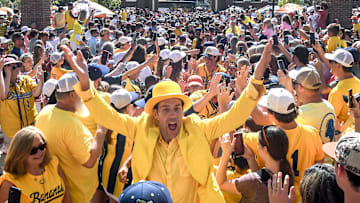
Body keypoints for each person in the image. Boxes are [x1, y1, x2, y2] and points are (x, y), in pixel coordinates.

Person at [60, 37, 269, 202]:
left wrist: (256, 80)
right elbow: (107, 116)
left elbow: (234, 117)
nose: (173, 114)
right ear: (156, 114)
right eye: (166, 109)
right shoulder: (140, 127)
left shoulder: (197, 128)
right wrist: (86, 86)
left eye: (177, 108)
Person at [35, 73, 106, 202]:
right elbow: (89, 161)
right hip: (78, 194)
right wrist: (101, 130)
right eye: (82, 93)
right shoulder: (71, 124)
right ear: (72, 95)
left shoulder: (45, 111)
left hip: (60, 190)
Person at [248, 88, 324, 202]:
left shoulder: (261, 138)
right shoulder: (312, 133)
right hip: (305, 197)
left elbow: (231, 138)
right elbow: (319, 164)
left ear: (272, 114)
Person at [216, 126, 294, 203]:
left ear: (265, 149)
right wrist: (251, 158)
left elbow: (221, 183)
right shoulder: (286, 175)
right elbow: (261, 180)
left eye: (258, 145)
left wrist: (226, 153)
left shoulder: (251, 181)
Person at [0, 126, 71, 203]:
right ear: (20, 153)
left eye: (42, 146)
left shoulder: (53, 164)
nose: (39, 152)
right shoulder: (10, 183)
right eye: (33, 150)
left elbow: (67, 195)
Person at [97, 88, 137, 202]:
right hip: (121, 175)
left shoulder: (105, 120)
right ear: (128, 107)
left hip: (105, 170)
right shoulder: (128, 125)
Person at [279, 67, 337, 143]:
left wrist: (287, 88)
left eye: (294, 83)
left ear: (300, 87)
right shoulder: (328, 106)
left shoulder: (302, 115)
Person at [0, 56, 43, 138]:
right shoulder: (2, 85)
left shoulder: (26, 80)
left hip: (31, 129)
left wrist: (41, 81)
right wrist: (7, 74)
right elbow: (3, 96)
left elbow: (35, 93)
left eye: (17, 65)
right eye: (13, 67)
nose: (17, 68)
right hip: (13, 134)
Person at [325, 49, 360, 131]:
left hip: (343, 136)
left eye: (332, 61)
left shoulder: (337, 92)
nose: (330, 64)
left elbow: (330, 120)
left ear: (339, 66)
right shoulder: (358, 82)